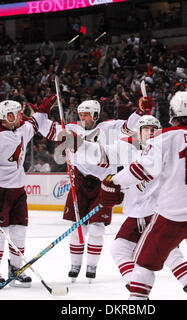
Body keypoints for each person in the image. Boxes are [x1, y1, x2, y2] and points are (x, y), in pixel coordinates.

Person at [100, 91, 187, 300]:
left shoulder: (164, 137)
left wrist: (113, 182)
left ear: (172, 112)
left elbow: (139, 171)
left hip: (173, 214)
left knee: (144, 265)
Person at [66, 114, 187, 299]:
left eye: (153, 129)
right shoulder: (126, 146)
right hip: (139, 213)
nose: (149, 133)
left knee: (169, 252)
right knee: (123, 248)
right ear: (138, 132)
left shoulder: (164, 149)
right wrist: (81, 146)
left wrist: (116, 183)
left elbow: (138, 174)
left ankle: (180, 289)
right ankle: (145, 287)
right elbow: (102, 153)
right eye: (145, 129)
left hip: (159, 212)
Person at [51, 97, 153, 283]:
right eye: (81, 114)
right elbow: (54, 135)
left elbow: (130, 125)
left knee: (97, 228)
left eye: (87, 115)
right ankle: (75, 265)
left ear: (96, 115)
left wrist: (139, 111)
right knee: (77, 228)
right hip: (80, 181)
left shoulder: (110, 127)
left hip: (103, 181)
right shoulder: (72, 127)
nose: (83, 118)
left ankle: (91, 267)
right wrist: (61, 140)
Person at [0, 97, 57, 288]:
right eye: (15, 113)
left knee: (19, 230)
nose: (19, 116)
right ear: (5, 116)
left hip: (18, 187)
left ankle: (16, 269)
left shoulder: (23, 128)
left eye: (20, 112)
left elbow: (35, 123)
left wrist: (43, 110)